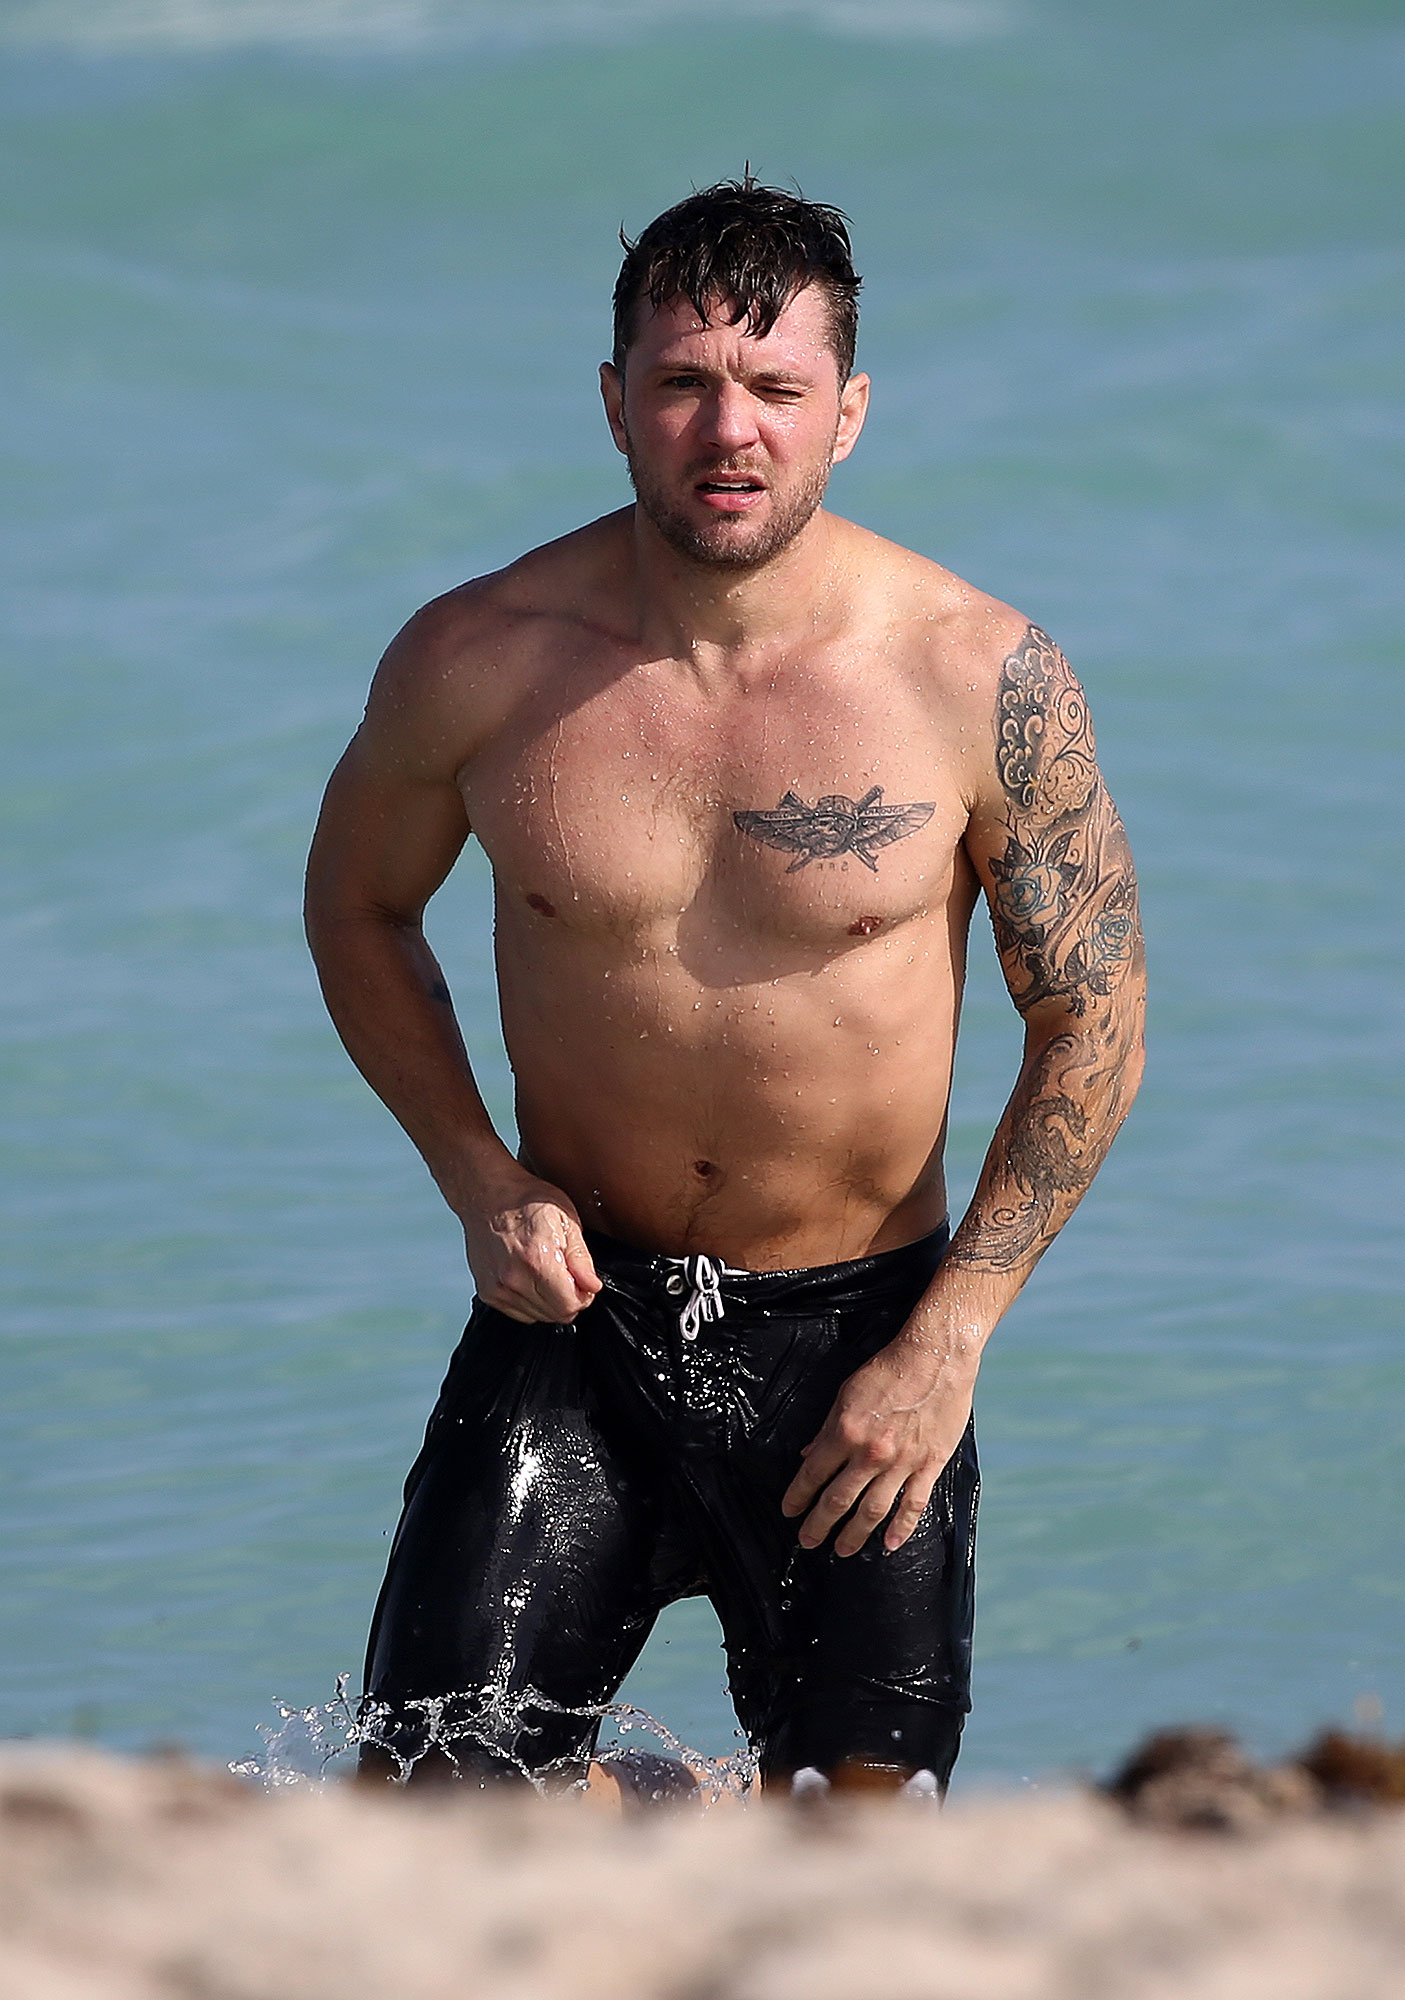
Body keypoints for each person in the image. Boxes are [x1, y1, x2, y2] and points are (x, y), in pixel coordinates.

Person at [304, 180, 1145, 1798]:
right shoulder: (477, 657)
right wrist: (476, 1178)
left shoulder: (972, 671)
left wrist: (951, 1335)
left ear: (849, 410)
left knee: (859, 1836)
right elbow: (358, 908)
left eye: (773, 386)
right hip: (570, 1320)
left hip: (859, 1343)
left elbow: (1089, 1013)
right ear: (614, 402)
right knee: (424, 1802)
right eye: (683, 382)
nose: (728, 429)